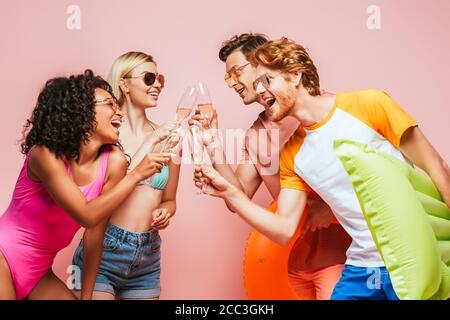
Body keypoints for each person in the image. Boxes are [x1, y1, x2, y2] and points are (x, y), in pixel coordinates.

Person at [195, 37, 450, 300]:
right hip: (362, 266)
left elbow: (435, 166)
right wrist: (229, 189)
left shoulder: (369, 104)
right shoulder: (290, 153)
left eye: (266, 81)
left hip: (412, 255)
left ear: (295, 75)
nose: (259, 90)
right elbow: (283, 228)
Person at [190, 33, 350, 300]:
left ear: (261, 63)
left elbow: (366, 176)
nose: (231, 83)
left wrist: (329, 205)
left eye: (235, 72)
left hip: (340, 258)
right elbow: (237, 197)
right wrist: (214, 144)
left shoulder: (323, 110)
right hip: (290, 264)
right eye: (227, 77)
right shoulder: (256, 135)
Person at [0, 69, 172, 300]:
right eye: (110, 103)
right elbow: (86, 215)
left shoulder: (114, 161)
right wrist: (135, 175)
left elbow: (94, 235)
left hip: (39, 272)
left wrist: (87, 297)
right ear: (81, 111)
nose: (119, 111)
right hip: (3, 257)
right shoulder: (45, 155)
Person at [72, 52, 181, 300]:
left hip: (148, 255)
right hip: (104, 249)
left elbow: (170, 199)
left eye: (160, 78)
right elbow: (96, 200)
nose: (157, 86)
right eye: (149, 78)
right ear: (124, 83)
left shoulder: (170, 138)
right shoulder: (107, 135)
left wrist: (166, 211)